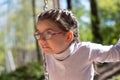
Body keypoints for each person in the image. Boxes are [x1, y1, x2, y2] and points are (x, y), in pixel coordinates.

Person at [34, 9, 120, 80]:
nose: (41, 40)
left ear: (68, 37)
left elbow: (117, 52)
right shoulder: (48, 54)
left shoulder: (86, 50)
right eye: (38, 34)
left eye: (48, 33)